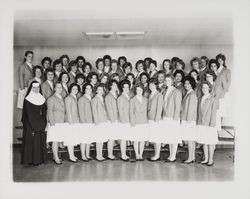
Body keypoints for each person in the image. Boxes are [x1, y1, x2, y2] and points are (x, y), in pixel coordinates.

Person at [21, 81, 47, 165]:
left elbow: (44, 111)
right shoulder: (28, 99)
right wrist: (36, 125)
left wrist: (43, 122)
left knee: (39, 141)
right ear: (31, 88)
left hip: (40, 123)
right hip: (30, 125)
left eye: (38, 87)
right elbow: (29, 114)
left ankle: (39, 160)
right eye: (34, 87)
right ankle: (31, 160)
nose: (36, 89)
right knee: (32, 142)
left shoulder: (42, 98)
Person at [196, 81, 218, 166]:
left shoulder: (213, 99)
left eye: (206, 87)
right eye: (202, 87)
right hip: (202, 123)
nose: (204, 89)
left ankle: (211, 159)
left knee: (210, 142)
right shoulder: (200, 98)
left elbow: (213, 113)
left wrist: (212, 125)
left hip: (209, 124)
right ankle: (206, 158)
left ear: (209, 88)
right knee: (204, 141)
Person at [162, 74, 182, 162]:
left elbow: (178, 107)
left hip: (173, 118)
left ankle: (173, 156)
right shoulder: (165, 90)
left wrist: (175, 119)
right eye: (166, 80)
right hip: (166, 116)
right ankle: (170, 155)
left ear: (173, 81)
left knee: (174, 137)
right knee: (169, 136)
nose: (167, 82)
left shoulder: (176, 92)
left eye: (169, 80)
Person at [47, 82, 65, 165]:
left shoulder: (61, 97)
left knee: (58, 139)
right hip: (55, 122)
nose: (59, 89)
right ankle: (56, 158)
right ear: (54, 88)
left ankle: (55, 156)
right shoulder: (51, 99)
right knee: (55, 140)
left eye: (61, 87)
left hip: (61, 122)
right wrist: (52, 123)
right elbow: (49, 111)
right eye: (58, 87)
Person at [180, 76, 198, 164]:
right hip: (187, 120)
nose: (186, 85)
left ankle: (190, 158)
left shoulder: (192, 95)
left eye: (188, 83)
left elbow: (191, 109)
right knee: (191, 140)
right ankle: (192, 157)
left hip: (189, 120)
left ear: (192, 84)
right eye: (185, 83)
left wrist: (188, 121)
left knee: (190, 140)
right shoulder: (188, 93)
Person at [129, 83, 148, 161]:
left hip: (144, 122)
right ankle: (137, 154)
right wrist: (133, 123)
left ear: (142, 90)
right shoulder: (132, 100)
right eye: (137, 90)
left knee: (142, 139)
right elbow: (131, 112)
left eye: (140, 90)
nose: (139, 91)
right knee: (136, 139)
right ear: (135, 90)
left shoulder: (145, 99)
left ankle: (141, 154)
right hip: (136, 123)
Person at [147, 79, 164, 161]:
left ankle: (157, 155)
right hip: (151, 118)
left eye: (153, 85)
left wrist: (157, 119)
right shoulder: (151, 94)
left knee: (157, 137)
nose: (151, 86)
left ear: (156, 85)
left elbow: (159, 108)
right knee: (154, 137)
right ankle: (156, 154)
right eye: (150, 85)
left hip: (156, 119)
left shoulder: (159, 95)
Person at [91, 83, 108, 161]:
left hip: (103, 121)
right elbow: (94, 112)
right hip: (99, 123)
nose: (101, 91)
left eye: (102, 89)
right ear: (96, 90)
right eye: (99, 89)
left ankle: (100, 154)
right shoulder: (95, 99)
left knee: (101, 139)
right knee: (98, 139)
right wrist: (97, 123)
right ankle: (98, 155)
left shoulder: (102, 98)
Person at [78, 83, 95, 161]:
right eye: (87, 88)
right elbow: (81, 112)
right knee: (83, 139)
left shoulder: (91, 97)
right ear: (84, 90)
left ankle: (87, 154)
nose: (89, 90)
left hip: (91, 122)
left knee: (88, 139)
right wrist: (83, 122)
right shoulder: (82, 99)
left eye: (90, 88)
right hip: (84, 122)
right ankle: (83, 155)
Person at [64, 83, 80, 162]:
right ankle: (71, 156)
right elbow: (68, 111)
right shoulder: (68, 98)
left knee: (73, 139)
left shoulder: (75, 97)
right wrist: (71, 122)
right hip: (71, 122)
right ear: (70, 89)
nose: (75, 90)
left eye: (76, 89)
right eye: (73, 89)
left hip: (75, 121)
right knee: (70, 139)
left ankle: (72, 155)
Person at [105, 79, 120, 160]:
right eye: (113, 85)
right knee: (111, 138)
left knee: (113, 137)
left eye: (116, 85)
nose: (115, 86)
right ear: (110, 86)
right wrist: (113, 120)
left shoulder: (116, 94)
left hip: (116, 119)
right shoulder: (108, 96)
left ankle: (111, 154)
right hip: (112, 120)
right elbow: (109, 109)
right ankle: (110, 154)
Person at [117, 80, 131, 161]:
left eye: (127, 87)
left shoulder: (127, 96)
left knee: (125, 138)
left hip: (127, 121)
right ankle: (123, 155)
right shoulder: (121, 98)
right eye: (124, 87)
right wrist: (123, 121)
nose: (126, 88)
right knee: (123, 138)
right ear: (122, 88)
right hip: (123, 121)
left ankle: (124, 154)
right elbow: (120, 110)